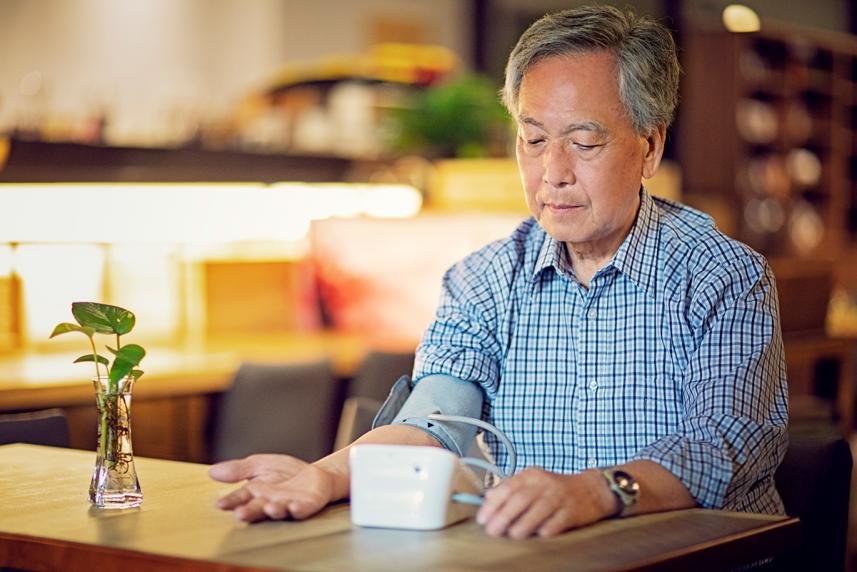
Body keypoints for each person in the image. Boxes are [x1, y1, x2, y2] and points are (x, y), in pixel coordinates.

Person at [210, 5, 788, 540]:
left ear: (650, 147)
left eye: (583, 142)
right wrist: (329, 477)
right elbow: (435, 423)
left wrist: (597, 491)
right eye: (533, 140)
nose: (552, 172)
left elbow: (723, 446)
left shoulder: (723, 277)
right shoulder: (481, 282)